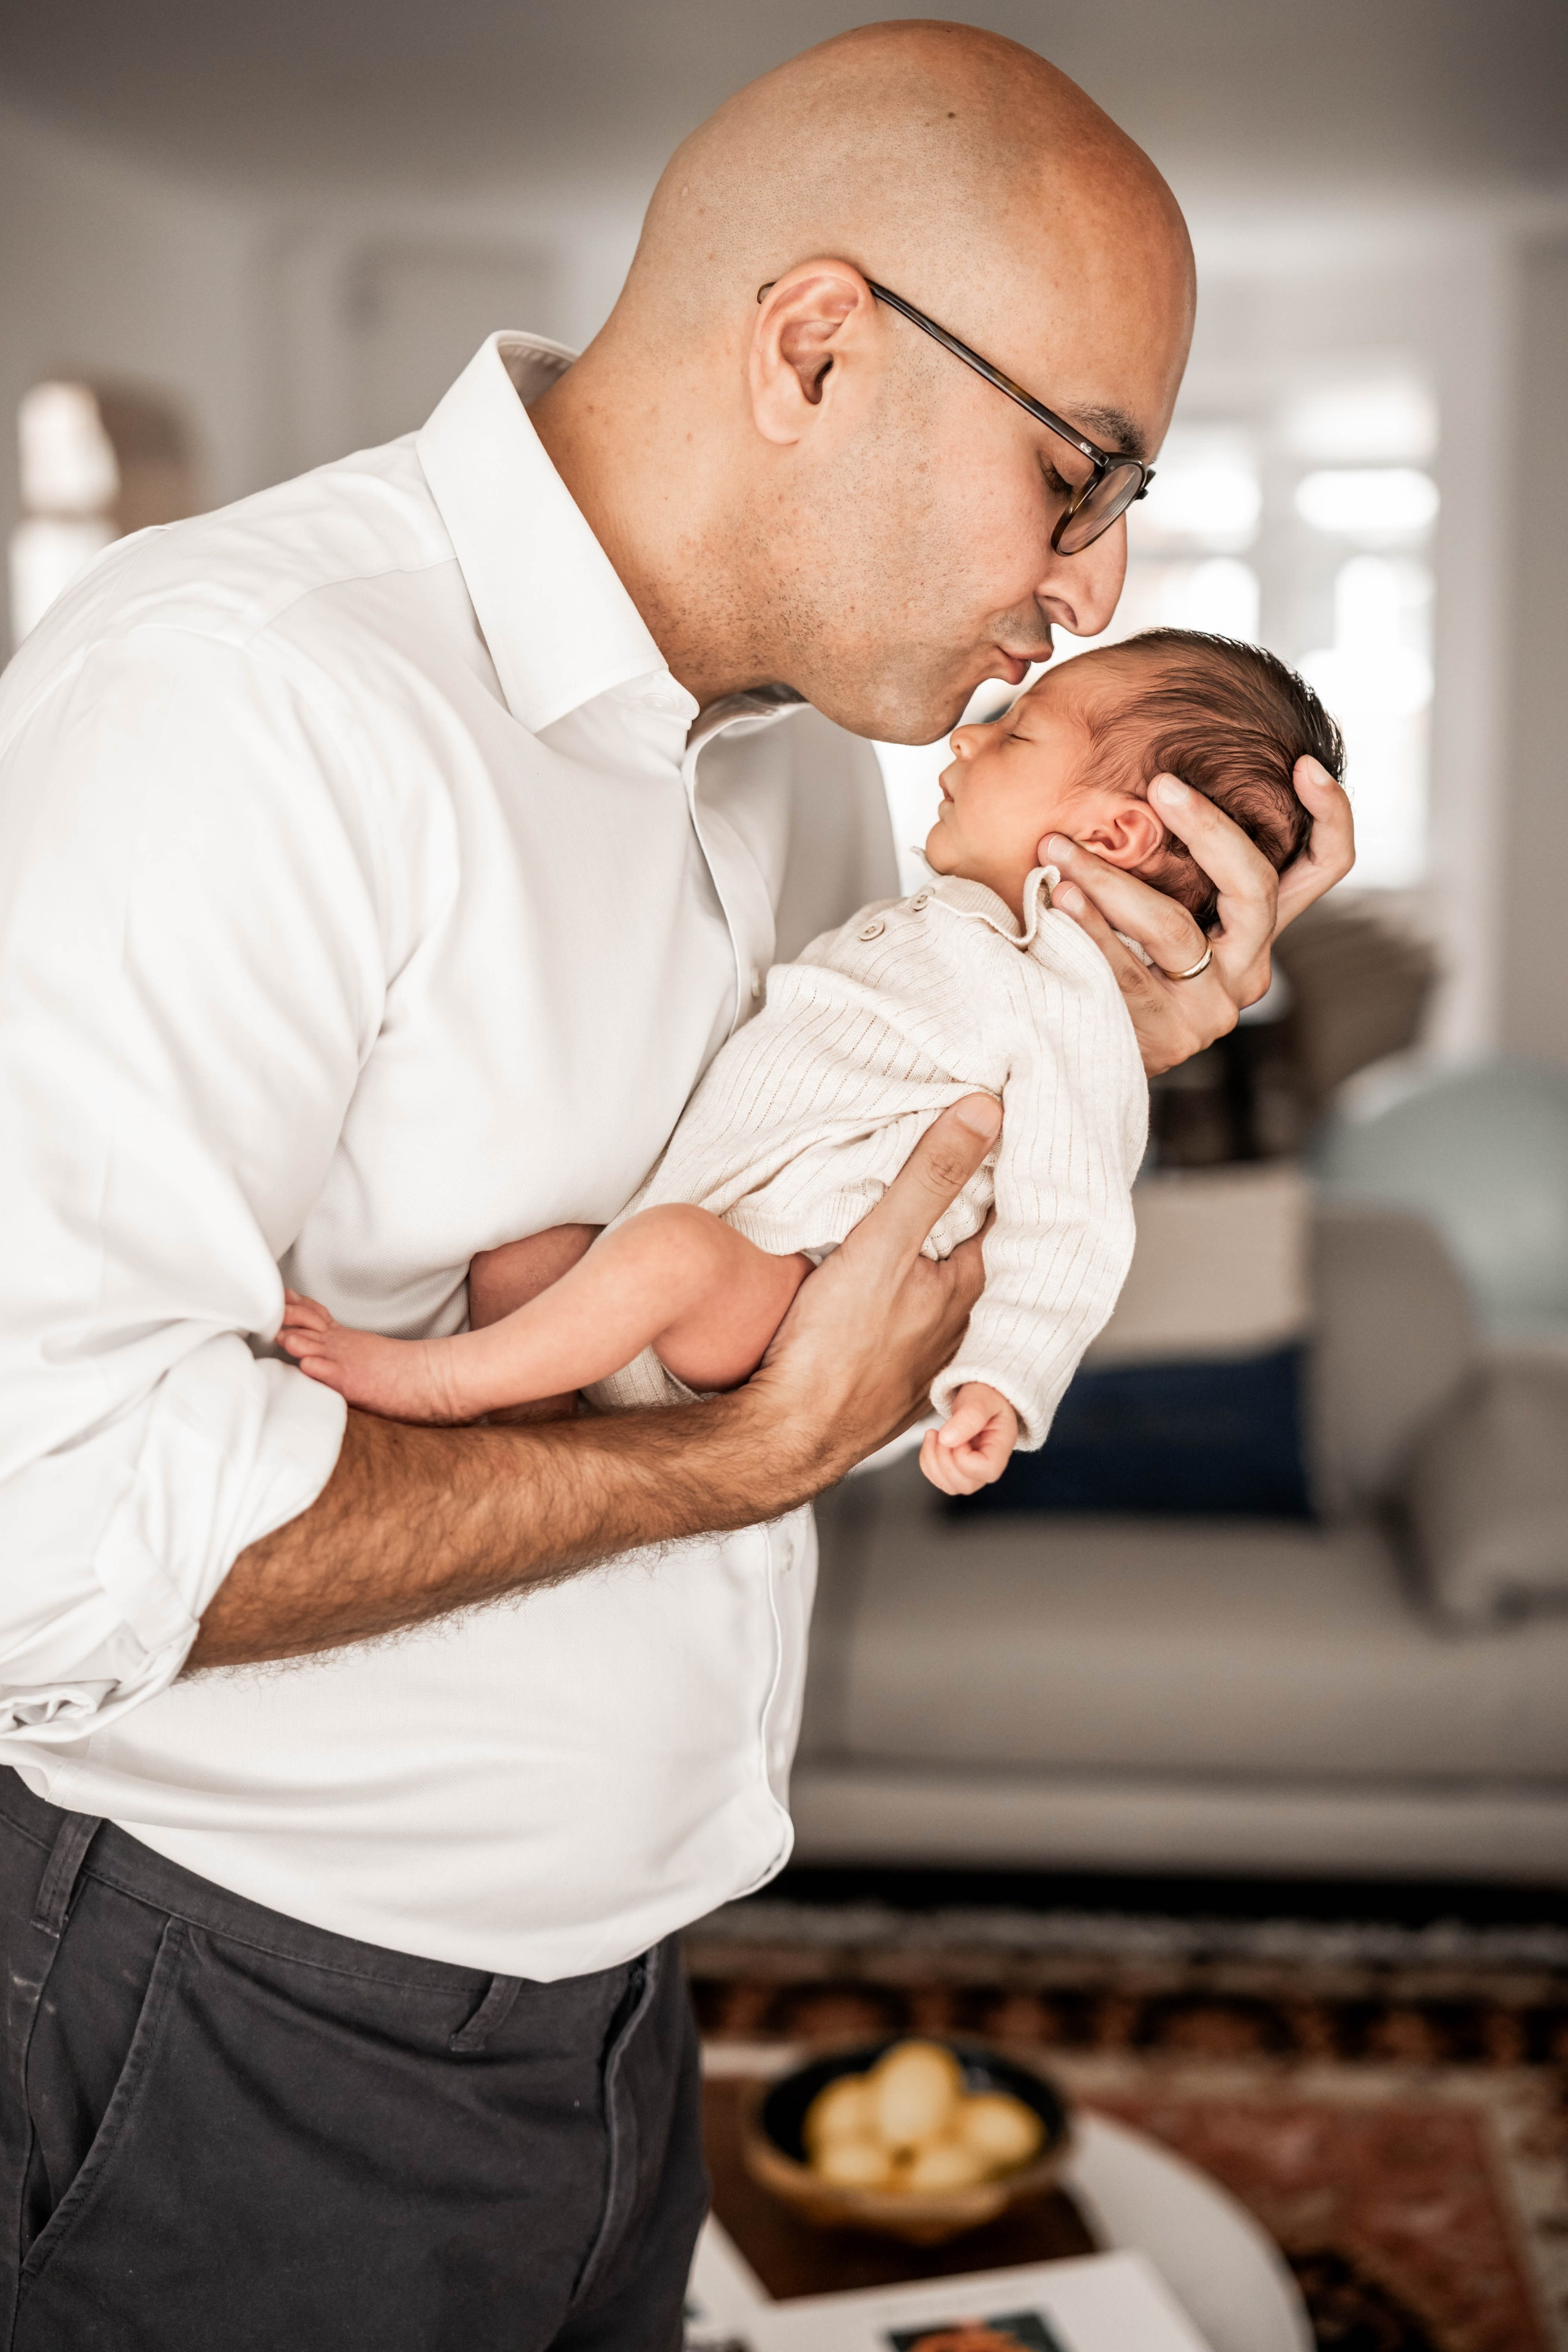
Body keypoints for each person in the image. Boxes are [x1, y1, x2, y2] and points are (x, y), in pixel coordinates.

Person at [0, 22, 1353, 2349]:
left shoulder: (801, 767)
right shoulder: (241, 696)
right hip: (237, 2019)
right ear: (818, 349)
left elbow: (802, 1314)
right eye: (1076, 473)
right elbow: (39, 1535)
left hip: (620, 2004)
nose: (1101, 580)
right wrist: (728, 1463)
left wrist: (1075, 1062)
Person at [277, 629, 1341, 1501]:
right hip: (678, 1289)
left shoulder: (1064, 1001)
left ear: (1112, 836)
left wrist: (1004, 1382)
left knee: (667, 1256)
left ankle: (444, 1385)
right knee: (531, 1246)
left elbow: (1074, 1221)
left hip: (777, 1294)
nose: (967, 740)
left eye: (1016, 734)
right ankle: (524, 1435)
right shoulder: (949, 922)